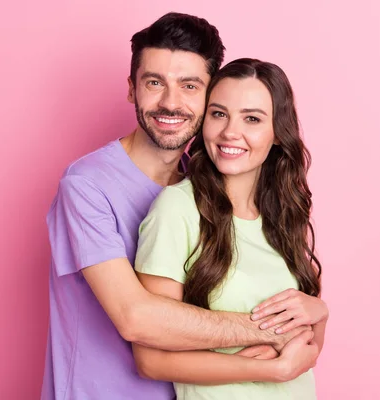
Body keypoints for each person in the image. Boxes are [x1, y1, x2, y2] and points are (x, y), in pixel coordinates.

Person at [41, 13, 317, 400]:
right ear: (131, 89)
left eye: (190, 86)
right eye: (154, 83)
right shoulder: (86, 187)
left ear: (211, 97)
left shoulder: (204, 188)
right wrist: (274, 330)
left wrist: (316, 312)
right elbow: (137, 319)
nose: (170, 103)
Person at [133, 58, 329, 399]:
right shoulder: (177, 209)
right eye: (219, 114)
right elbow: (151, 359)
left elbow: (304, 354)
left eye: (252, 119)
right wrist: (268, 369)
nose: (229, 132)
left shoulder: (284, 217)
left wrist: (320, 315)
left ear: (278, 134)